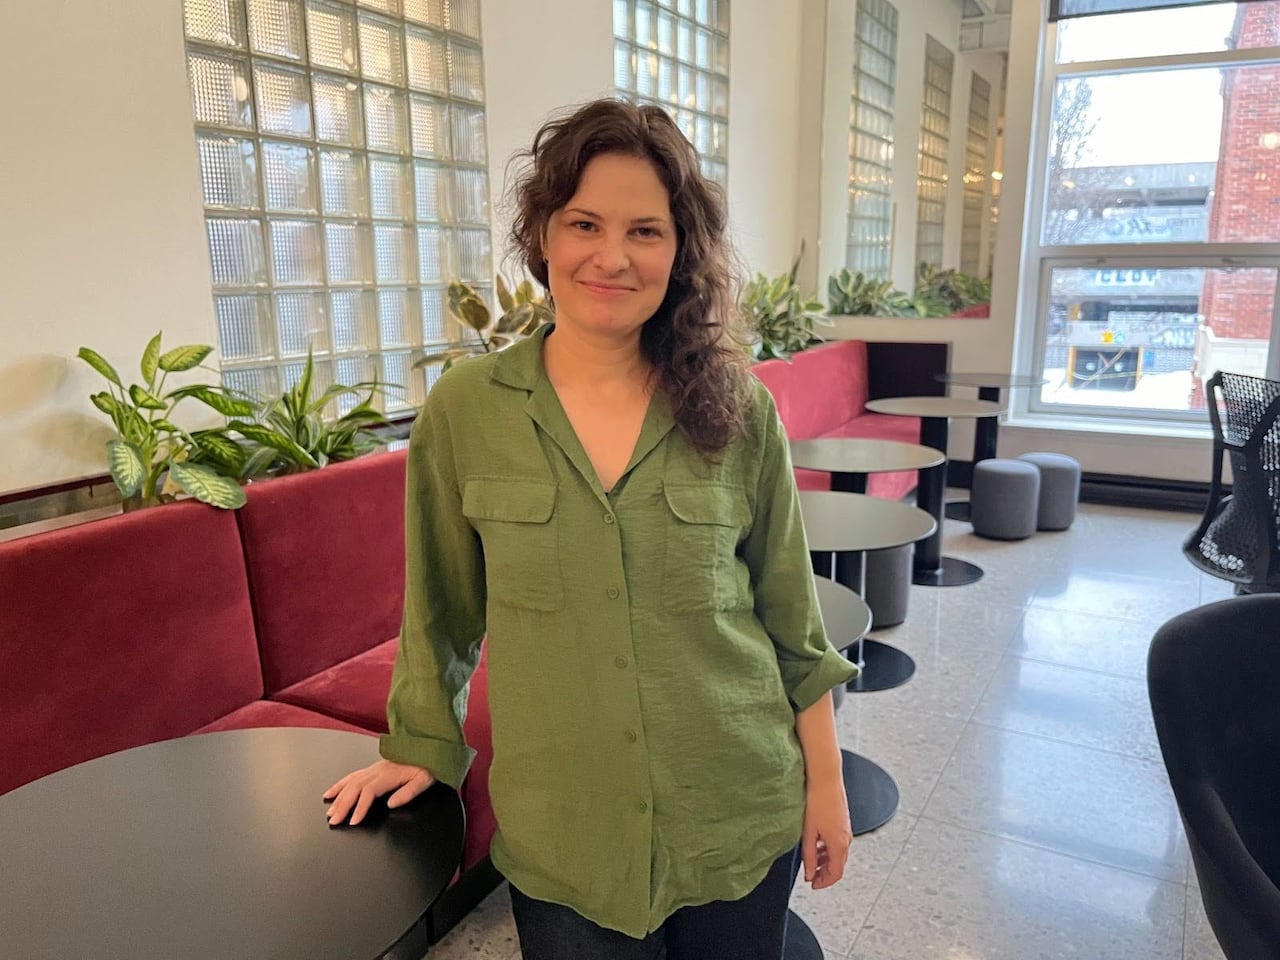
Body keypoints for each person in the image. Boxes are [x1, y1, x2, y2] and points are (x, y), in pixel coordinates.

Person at [323, 98, 857, 960]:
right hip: (566, 840)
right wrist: (421, 743)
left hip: (735, 813)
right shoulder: (467, 411)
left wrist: (823, 783)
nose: (612, 256)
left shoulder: (738, 410)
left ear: (680, 250)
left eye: (646, 230)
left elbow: (791, 618)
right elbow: (441, 610)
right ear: (543, 236)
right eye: (584, 223)